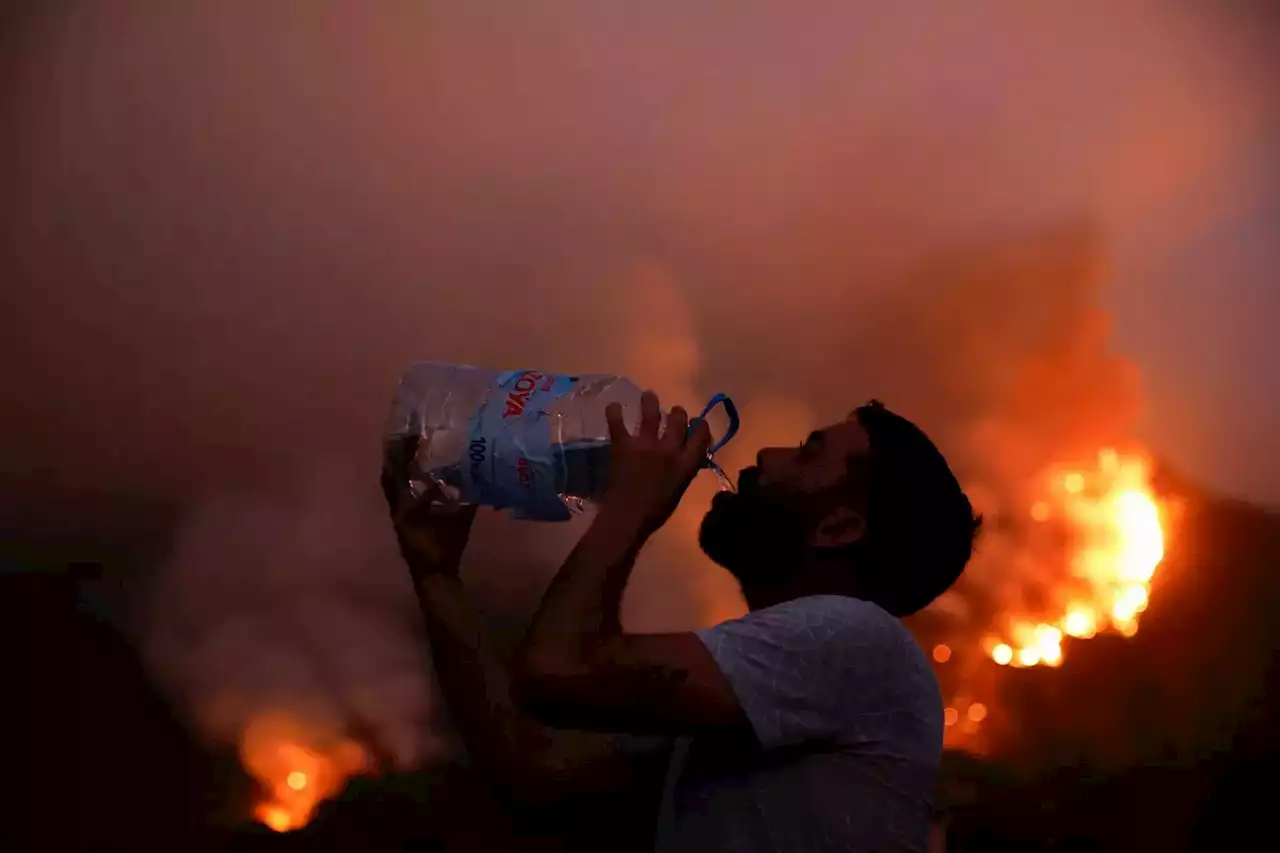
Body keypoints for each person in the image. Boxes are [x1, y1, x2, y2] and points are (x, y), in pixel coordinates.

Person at [383, 392, 980, 852]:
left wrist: (632, 505)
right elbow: (537, 774)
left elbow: (554, 671)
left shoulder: (856, 637)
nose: (765, 457)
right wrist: (436, 575)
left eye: (808, 452)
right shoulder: (757, 692)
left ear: (840, 529)